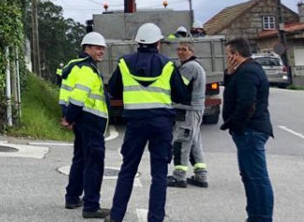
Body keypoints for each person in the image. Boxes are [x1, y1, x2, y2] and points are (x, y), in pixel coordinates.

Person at [107, 23, 190, 222]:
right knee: (159, 174)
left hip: (135, 124)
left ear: (138, 43)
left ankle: (116, 216)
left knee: (127, 170)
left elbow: (114, 90)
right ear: (158, 43)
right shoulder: (168, 65)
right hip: (161, 124)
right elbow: (182, 95)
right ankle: (155, 218)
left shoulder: (124, 63)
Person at [221, 37, 274, 222]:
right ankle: (255, 216)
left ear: (235, 54)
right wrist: (229, 73)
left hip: (251, 131)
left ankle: (261, 217)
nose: (226, 58)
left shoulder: (248, 72)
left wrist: (236, 125)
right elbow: (231, 92)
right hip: (248, 131)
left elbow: (246, 104)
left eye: (228, 55)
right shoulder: (242, 71)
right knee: (249, 177)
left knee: (257, 178)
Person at [59, 32, 111, 219]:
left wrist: (68, 116)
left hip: (82, 120)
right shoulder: (88, 70)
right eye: (97, 48)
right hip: (91, 121)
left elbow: (66, 94)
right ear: (87, 48)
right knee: (94, 164)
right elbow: (78, 97)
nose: (101, 51)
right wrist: (70, 118)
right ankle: (91, 206)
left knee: (80, 159)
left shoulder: (75, 66)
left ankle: (72, 197)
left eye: (102, 48)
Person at [167, 42, 209, 188]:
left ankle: (179, 177)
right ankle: (201, 175)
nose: (180, 52)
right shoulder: (196, 65)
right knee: (194, 142)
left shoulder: (189, 67)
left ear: (191, 51)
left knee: (181, 142)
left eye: (184, 49)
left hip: (187, 110)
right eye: (178, 49)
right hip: (195, 109)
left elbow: (179, 88)